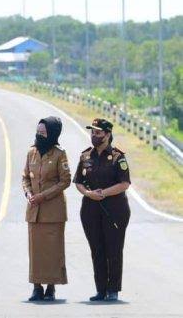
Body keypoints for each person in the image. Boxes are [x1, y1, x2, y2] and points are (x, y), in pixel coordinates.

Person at [74, 118, 131, 302]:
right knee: (97, 250)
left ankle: (113, 289)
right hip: (91, 209)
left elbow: (124, 184)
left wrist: (103, 193)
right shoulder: (85, 156)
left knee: (113, 250)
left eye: (98, 133)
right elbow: (78, 182)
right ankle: (101, 290)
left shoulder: (117, 156)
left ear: (107, 134)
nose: (94, 136)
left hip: (114, 210)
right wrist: (89, 193)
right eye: (93, 132)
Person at [21, 117, 71, 302]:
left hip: (53, 210)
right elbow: (25, 177)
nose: (39, 135)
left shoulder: (59, 154)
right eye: (38, 132)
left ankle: (51, 287)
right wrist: (28, 194)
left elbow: (65, 181)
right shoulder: (31, 152)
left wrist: (43, 196)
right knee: (35, 251)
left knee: (53, 250)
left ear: (52, 133)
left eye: (43, 133)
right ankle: (36, 287)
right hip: (34, 211)